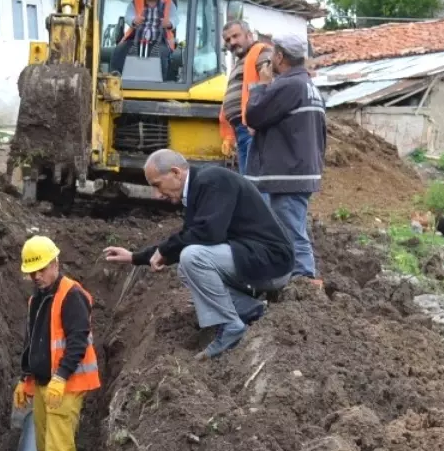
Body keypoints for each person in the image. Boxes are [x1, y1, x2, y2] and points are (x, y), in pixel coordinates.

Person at [103, 150, 293, 359]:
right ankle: (249, 310)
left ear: (175, 172)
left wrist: (164, 250)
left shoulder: (213, 181)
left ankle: (231, 326)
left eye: (157, 185)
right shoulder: (201, 186)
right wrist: (135, 257)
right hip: (255, 261)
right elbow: (191, 236)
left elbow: (207, 233)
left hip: (272, 263)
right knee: (186, 267)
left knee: (192, 258)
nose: (157, 195)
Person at [13, 235, 101, 451]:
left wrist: (61, 377)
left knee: (58, 449)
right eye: (32, 272)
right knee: (41, 446)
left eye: (41, 269)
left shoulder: (70, 295)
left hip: (66, 385)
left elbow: (78, 341)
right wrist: (25, 378)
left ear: (55, 263)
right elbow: (33, 342)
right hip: (42, 383)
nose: (36, 276)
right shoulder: (36, 299)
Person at [244, 31, 326, 282]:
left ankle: (305, 282)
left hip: (290, 173)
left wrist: (261, 85)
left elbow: (255, 116)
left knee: (291, 231)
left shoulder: (288, 85)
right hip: (302, 170)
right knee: (293, 226)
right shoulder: (309, 86)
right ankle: (298, 280)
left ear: (279, 57)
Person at [218, 21, 273, 176]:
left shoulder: (261, 51)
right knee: (248, 181)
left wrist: (259, 119)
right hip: (242, 130)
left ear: (249, 35)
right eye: (228, 40)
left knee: (256, 182)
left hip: (253, 128)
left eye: (236, 36)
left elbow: (270, 84)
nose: (232, 42)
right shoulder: (240, 62)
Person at [109, 0, 176, 78]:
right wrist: (134, 20)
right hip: (136, 39)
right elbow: (128, 16)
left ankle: (162, 82)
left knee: (162, 55)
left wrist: (169, 23)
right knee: (119, 50)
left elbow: (175, 18)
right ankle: (114, 77)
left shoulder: (168, 3)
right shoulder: (135, 2)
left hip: (160, 41)